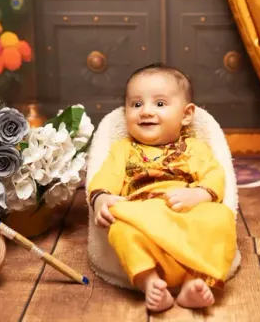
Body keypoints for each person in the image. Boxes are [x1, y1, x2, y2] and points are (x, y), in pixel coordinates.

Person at [88, 63, 237, 312]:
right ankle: (150, 282)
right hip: (141, 212)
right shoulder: (123, 149)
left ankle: (195, 280)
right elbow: (105, 176)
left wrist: (198, 194)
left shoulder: (194, 148)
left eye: (159, 103)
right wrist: (101, 198)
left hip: (182, 211)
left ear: (186, 115)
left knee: (221, 217)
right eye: (136, 104)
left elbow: (214, 175)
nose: (146, 111)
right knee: (120, 227)